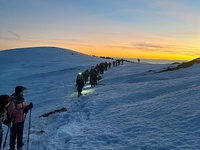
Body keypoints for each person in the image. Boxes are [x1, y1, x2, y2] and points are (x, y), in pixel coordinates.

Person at [8, 86, 33, 150]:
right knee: (13, 136)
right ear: (19, 92)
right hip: (14, 121)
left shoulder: (22, 99)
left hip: (21, 120)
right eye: (22, 91)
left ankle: (20, 148)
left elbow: (24, 107)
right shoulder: (13, 100)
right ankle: (12, 148)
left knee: (20, 135)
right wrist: (23, 111)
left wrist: (28, 107)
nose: (23, 93)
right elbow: (12, 111)